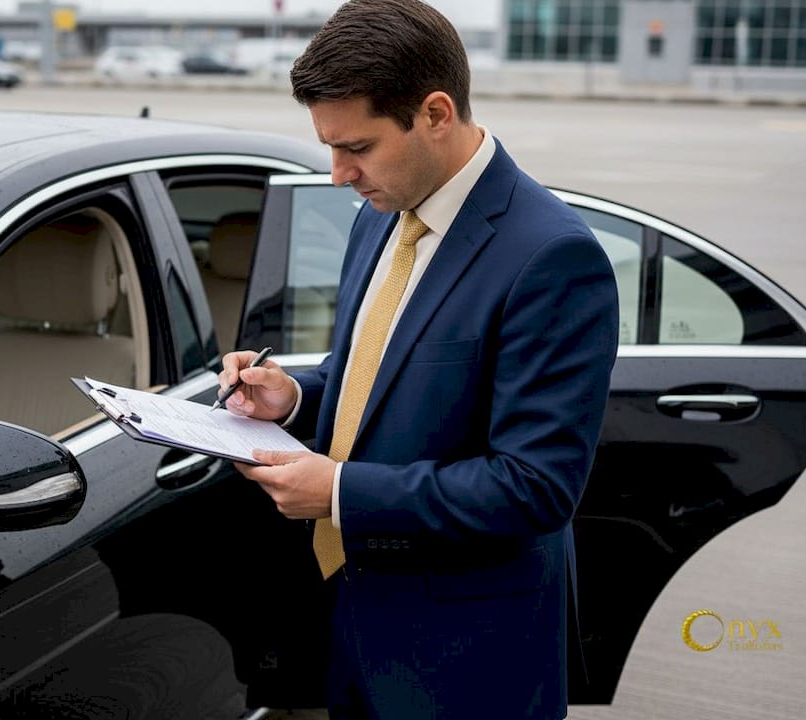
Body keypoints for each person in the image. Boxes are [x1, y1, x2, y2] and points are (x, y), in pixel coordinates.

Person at [219, 1, 620, 718]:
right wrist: (295, 396)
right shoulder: (383, 217)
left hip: (466, 659)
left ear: (435, 113)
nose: (339, 174)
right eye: (330, 148)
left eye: (359, 148)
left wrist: (340, 494)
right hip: (352, 625)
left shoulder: (552, 256)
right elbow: (378, 379)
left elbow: (535, 487)